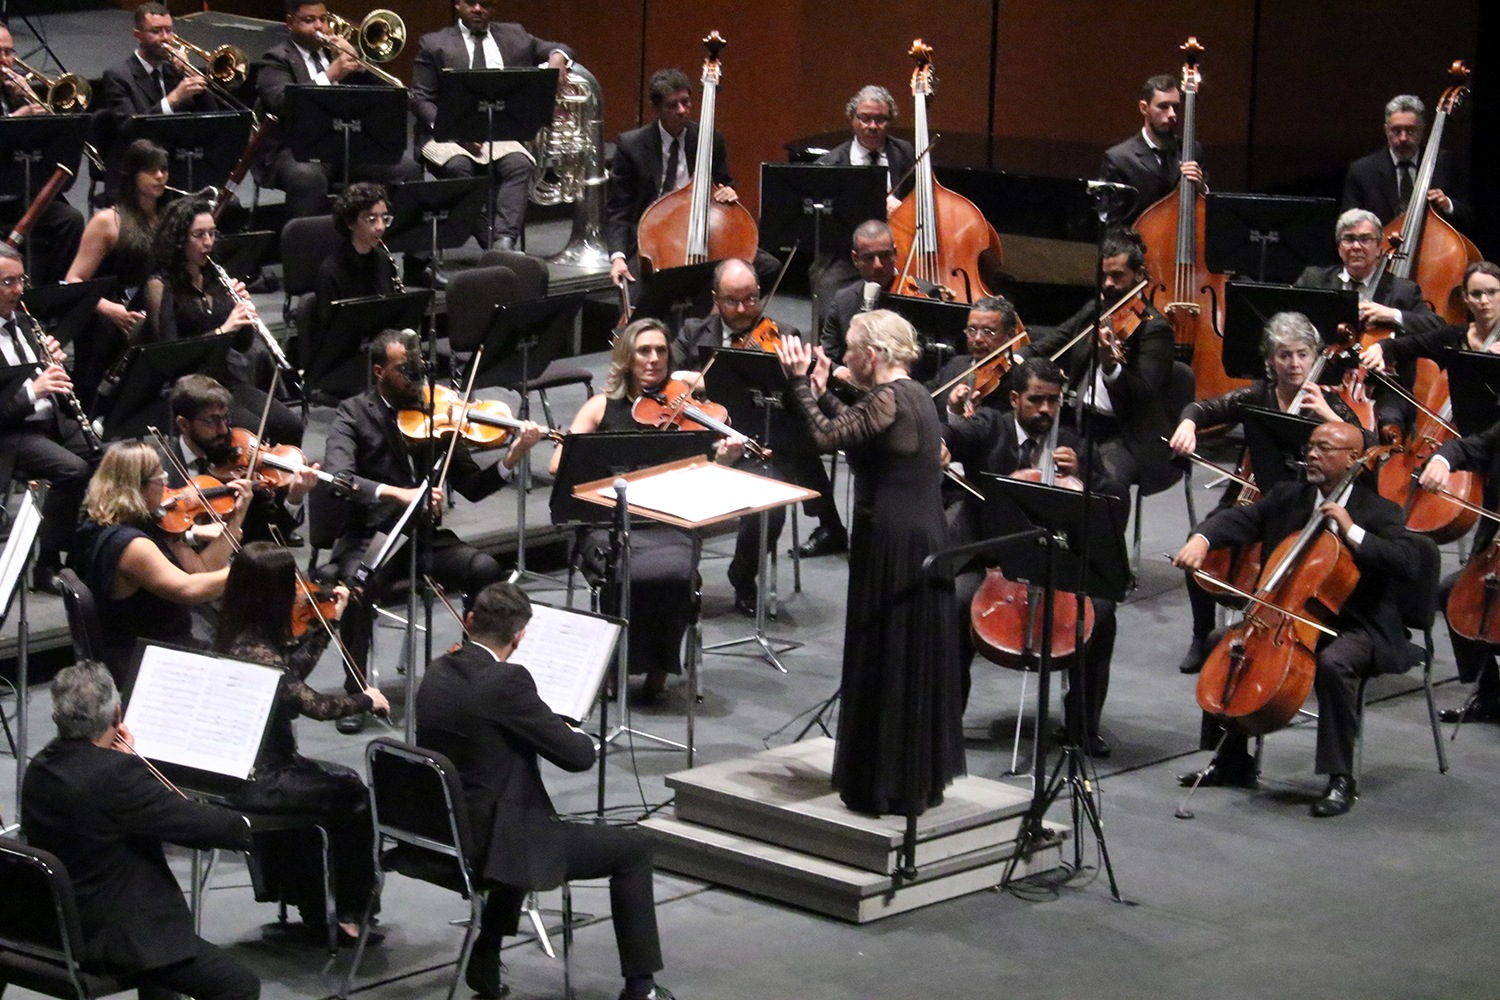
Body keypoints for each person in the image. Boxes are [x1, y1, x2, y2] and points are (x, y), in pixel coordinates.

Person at [415, 582, 676, 1000]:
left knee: (517, 806)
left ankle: (486, 954)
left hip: (437, 832)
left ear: (469, 622)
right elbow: (577, 757)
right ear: (519, 638)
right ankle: (641, 988)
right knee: (634, 849)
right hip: (488, 845)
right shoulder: (507, 682)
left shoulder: (436, 671)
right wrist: (566, 730)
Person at [1172, 421, 1422, 817]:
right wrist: (1202, 539)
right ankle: (1232, 761)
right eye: (1311, 446)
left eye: (1325, 448)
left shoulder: (1378, 510)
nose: (1312, 454)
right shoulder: (1290, 496)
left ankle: (1341, 778)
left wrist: (1352, 531)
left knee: (1335, 663)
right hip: (1288, 617)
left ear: (1354, 459)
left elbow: (1409, 562)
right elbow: (1242, 520)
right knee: (1222, 640)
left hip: (1358, 623)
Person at [775, 310, 964, 815]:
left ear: (873, 355)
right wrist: (821, 391)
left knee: (889, 649)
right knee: (908, 650)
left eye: (852, 350)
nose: (845, 358)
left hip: (894, 539)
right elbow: (856, 427)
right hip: (922, 531)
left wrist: (798, 384)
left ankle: (882, 782)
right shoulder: (915, 394)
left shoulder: (887, 398)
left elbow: (826, 437)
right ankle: (910, 777)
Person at [321, 328, 542, 728]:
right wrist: (400, 495)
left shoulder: (436, 413)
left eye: (421, 369)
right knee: (355, 586)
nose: (418, 379)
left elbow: (472, 488)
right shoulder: (352, 414)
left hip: (423, 538)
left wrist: (512, 457)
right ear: (379, 371)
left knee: (484, 570)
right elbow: (340, 479)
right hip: (372, 538)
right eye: (406, 371)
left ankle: (476, 671)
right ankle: (356, 694)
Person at [22, 662, 259, 1000]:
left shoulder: (40, 767)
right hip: (112, 935)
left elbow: (113, 799)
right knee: (238, 985)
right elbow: (194, 823)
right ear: (117, 713)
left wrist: (123, 761)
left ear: (57, 716)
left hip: (54, 923)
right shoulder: (115, 776)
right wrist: (244, 826)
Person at [550, 318, 744, 699]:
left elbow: (707, 478)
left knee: (676, 572)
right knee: (622, 571)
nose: (654, 359)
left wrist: (726, 461)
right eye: (644, 351)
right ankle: (612, 663)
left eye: (660, 351)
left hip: (666, 521)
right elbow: (559, 464)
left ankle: (660, 663)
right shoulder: (599, 407)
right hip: (607, 521)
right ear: (626, 359)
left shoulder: (686, 408)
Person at [1168, 311, 1368, 674]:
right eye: (1285, 355)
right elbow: (1204, 407)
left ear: (1315, 356)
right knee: (1201, 538)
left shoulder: (1327, 402)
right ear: (1270, 361)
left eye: (1303, 354)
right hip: (1253, 496)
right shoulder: (1257, 395)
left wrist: (1327, 415)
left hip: (1306, 506)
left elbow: (1363, 449)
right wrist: (1187, 424)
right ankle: (1202, 635)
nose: (1295, 364)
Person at [943, 356, 1125, 750]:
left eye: (1054, 401)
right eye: (1036, 400)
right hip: (992, 557)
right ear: (1014, 398)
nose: (1046, 410)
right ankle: (946, 720)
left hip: (1056, 563)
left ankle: (1082, 726)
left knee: (1103, 614)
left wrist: (1084, 474)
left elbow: (1116, 499)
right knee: (956, 602)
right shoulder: (991, 426)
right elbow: (954, 436)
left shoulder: (1075, 442)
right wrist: (942, 439)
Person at [214, 542, 388, 945]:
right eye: (290, 581)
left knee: (331, 785)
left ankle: (310, 903)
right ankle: (350, 913)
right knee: (351, 792)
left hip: (245, 766)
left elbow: (289, 675)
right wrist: (366, 699)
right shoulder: (255, 651)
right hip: (259, 776)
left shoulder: (236, 632)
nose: (298, 588)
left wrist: (327, 625)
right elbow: (315, 705)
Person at [673, 258, 847, 604]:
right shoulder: (694, 331)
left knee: (770, 503)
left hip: (761, 443)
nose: (743, 309)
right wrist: (696, 380)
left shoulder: (783, 334)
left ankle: (742, 575)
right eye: (732, 301)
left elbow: (797, 401)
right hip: (705, 439)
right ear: (715, 298)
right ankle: (680, 576)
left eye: (751, 299)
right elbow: (670, 379)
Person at [74, 440, 249, 691]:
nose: (166, 487)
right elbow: (189, 589)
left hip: (151, 644)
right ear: (137, 486)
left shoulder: (101, 521)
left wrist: (236, 518)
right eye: (160, 478)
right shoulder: (131, 546)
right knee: (254, 663)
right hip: (149, 659)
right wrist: (248, 569)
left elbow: (201, 570)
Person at [409, 0, 574, 250]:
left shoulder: (515, 35)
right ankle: (490, 240)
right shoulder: (433, 43)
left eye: (485, 3)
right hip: (445, 135)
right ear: (457, 5)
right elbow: (421, 99)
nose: (478, 8)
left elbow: (561, 48)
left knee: (519, 165)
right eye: (471, 2)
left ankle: (504, 242)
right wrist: (454, 131)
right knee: (459, 167)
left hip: (496, 134)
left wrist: (558, 58)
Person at [139, 196, 303, 446]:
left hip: (223, 379)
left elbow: (242, 344)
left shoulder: (215, 277)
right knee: (256, 433)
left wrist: (242, 315)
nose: (208, 242)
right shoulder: (161, 284)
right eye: (199, 235)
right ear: (179, 240)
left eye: (212, 234)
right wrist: (223, 329)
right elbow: (170, 355)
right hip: (189, 389)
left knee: (291, 426)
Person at [1024, 227, 1177, 493]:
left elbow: (1142, 395)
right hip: (1079, 423)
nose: (1107, 284)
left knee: (1107, 487)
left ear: (1139, 275)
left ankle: (1107, 534)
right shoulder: (1095, 309)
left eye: (1117, 276)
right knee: (1032, 462)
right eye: (1104, 275)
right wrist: (1018, 356)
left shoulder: (1155, 330)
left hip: (1123, 433)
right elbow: (1055, 339)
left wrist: (1110, 367)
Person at [251, 0, 420, 221]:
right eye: (309, 20)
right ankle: (307, 252)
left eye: (323, 19)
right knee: (307, 178)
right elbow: (281, 103)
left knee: (406, 169)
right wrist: (330, 75)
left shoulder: (337, 53)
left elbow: (387, 96)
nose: (319, 26)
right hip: (295, 149)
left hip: (345, 142)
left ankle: (406, 249)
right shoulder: (276, 59)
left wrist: (361, 65)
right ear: (290, 23)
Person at [0, 244, 98, 593]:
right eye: (8, 282)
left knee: (107, 457)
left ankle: (83, 556)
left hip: (48, 419)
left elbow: (40, 376)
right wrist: (33, 391)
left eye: (20, 280)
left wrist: (50, 363)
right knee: (73, 470)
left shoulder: (24, 319)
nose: (18, 289)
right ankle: (46, 566)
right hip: (12, 432)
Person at [1294, 208, 1442, 433]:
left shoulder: (1403, 291)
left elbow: (1438, 328)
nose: (1356, 246)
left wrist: (1391, 314)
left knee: (1385, 426)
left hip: (1380, 388)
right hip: (1323, 377)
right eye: (1349, 239)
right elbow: (1287, 320)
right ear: (1339, 246)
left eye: (1365, 239)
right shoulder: (1314, 279)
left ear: (1379, 247)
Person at [604, 67, 736, 288]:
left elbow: (722, 182)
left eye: (686, 102)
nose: (682, 110)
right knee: (635, 290)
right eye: (672, 105)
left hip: (700, 231)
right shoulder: (631, 145)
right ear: (656, 109)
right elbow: (619, 208)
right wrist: (617, 257)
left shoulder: (710, 138)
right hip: (652, 236)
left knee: (767, 267)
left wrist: (727, 191)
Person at [65, 138, 170, 407]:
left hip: (154, 307)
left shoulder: (169, 216)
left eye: (164, 169)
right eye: (151, 170)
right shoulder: (107, 222)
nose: (160, 176)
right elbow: (73, 280)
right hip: (114, 312)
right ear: (132, 175)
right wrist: (112, 310)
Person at [161, 373, 317, 545]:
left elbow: (273, 532)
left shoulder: (241, 466)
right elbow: (149, 535)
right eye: (211, 421)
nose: (223, 430)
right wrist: (193, 534)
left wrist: (294, 497)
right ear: (184, 424)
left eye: (225, 417)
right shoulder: (162, 470)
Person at [1416, 418, 1500, 723]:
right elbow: (1465, 447)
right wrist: (1441, 460)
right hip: (1495, 552)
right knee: (1450, 593)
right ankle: (1491, 695)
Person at [808, 86, 916, 307]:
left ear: (891, 121)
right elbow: (823, 226)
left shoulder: (905, 152)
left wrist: (903, 210)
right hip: (846, 256)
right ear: (852, 119)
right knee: (827, 289)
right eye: (865, 118)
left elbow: (922, 201)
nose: (872, 126)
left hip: (894, 252)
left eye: (880, 119)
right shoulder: (830, 163)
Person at [1359, 261, 1500, 424]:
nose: (1484, 300)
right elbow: (1410, 345)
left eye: (1491, 292)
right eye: (1476, 294)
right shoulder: (1453, 335)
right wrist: (1381, 347)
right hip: (1458, 429)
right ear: (1466, 298)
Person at [0, 24, 85, 285]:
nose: (6, 61)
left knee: (71, 219)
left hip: (22, 190)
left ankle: (52, 290)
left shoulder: (10, 89)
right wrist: (16, 118)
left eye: (10, 53)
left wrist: (28, 101)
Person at [99, 3, 222, 176]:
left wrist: (190, 72)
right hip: (136, 169)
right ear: (138, 35)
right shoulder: (118, 76)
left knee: (231, 202)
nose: (165, 38)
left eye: (169, 30)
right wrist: (173, 99)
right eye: (156, 31)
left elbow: (212, 118)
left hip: (177, 162)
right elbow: (130, 129)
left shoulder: (176, 71)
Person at [309, 182, 399, 382]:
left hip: (378, 353)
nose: (380, 227)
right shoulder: (331, 272)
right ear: (350, 223)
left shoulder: (384, 261)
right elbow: (334, 337)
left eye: (384, 219)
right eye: (371, 219)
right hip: (345, 361)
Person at [1341, 94, 1469, 227]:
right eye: (1396, 131)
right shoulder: (1362, 170)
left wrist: (1448, 204)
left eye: (1410, 131)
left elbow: (1468, 216)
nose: (1403, 138)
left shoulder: (1444, 163)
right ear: (1386, 130)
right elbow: (1348, 224)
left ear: (1422, 130)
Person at [1099, 73, 1205, 225]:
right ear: (1144, 108)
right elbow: (1111, 225)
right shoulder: (1119, 159)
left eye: (1175, 107)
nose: (1172, 114)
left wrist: (1201, 187)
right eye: (1163, 106)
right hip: (1138, 246)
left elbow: (1206, 210)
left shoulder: (1192, 149)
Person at [818, 220, 902, 365]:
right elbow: (826, 356)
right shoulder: (843, 300)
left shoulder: (924, 294)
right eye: (869, 258)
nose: (878, 265)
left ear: (895, 253)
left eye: (884, 255)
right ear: (855, 259)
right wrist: (839, 370)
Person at [934, 295, 1025, 422]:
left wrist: (959, 414)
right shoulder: (956, 363)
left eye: (988, 331)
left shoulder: (1018, 379)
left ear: (1010, 335)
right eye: (972, 330)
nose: (977, 339)